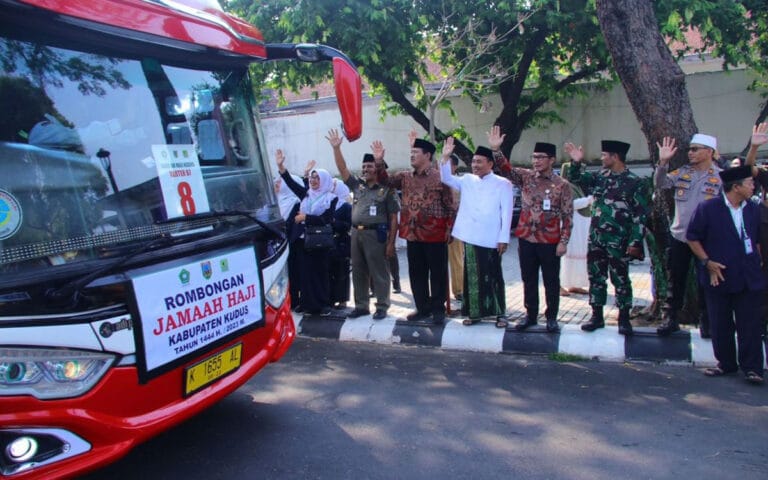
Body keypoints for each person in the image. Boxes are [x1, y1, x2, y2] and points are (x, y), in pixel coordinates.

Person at [489, 126, 573, 333]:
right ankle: (530, 315)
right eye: (534, 157)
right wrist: (496, 150)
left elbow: (568, 215)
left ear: (552, 160)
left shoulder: (562, 185)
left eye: (541, 157)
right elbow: (505, 169)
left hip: (550, 240)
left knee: (551, 280)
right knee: (528, 278)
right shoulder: (526, 177)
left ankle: (552, 317)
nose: (536, 161)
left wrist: (564, 241)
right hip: (527, 238)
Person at [686, 165, 765, 384]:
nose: (753, 186)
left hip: (748, 274)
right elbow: (692, 237)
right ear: (736, 187)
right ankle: (726, 363)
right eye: (749, 183)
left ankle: (753, 368)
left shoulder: (753, 209)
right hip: (718, 273)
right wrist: (707, 262)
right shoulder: (708, 208)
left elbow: (756, 240)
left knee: (750, 323)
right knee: (720, 322)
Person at [564, 140, 649, 336]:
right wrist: (576, 162)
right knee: (596, 277)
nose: (601, 158)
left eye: (604, 155)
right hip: (596, 239)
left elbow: (639, 217)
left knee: (620, 279)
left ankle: (624, 318)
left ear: (615, 157)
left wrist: (635, 242)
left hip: (619, 241)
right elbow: (576, 178)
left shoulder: (635, 182)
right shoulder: (600, 178)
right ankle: (596, 316)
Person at [373, 134, 456, 325]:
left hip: (435, 233)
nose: (411, 156)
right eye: (410, 152)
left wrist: (450, 229)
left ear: (427, 155)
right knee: (416, 273)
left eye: (415, 152)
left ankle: (438, 310)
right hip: (412, 233)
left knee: (437, 273)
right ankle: (422, 308)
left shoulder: (441, 177)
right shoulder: (405, 176)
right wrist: (379, 161)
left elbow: (450, 204)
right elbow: (385, 181)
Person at [653, 133, 724, 337]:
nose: (690, 153)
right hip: (680, 236)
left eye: (695, 149)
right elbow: (660, 184)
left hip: (706, 240)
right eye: (690, 150)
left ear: (709, 152)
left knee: (706, 283)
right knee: (675, 279)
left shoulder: (720, 177)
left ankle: (707, 321)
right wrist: (663, 162)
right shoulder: (682, 173)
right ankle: (670, 318)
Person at [439, 138, 514, 326]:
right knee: (472, 276)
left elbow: (507, 213)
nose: (475, 165)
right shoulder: (466, 180)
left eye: (479, 162)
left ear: (490, 163)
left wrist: (504, 238)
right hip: (471, 236)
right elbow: (446, 178)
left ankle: (500, 314)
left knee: (494, 276)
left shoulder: (503, 183)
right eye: (473, 162)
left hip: (492, 238)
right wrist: (445, 157)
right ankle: (474, 314)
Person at [327, 129, 400, 320]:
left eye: (369, 166)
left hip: (376, 235)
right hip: (356, 234)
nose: (365, 169)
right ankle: (361, 306)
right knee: (358, 271)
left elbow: (393, 217)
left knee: (379, 272)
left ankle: (382, 306)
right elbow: (343, 169)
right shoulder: (357, 186)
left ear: (378, 168)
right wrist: (336, 148)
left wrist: (392, 243)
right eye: (364, 166)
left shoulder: (387, 190)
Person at [276, 150, 337, 316]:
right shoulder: (306, 194)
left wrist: (306, 217)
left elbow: (327, 218)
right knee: (305, 273)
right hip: (304, 240)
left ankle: (322, 304)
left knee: (320, 273)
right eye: (311, 177)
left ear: (324, 180)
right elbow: (290, 183)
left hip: (320, 241)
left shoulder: (330, 198)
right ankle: (306, 304)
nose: (313, 180)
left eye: (317, 178)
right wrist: (281, 167)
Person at [559, 162, 592, 296]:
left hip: (580, 226)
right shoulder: (563, 186)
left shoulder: (576, 186)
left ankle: (574, 284)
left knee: (579, 256)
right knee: (565, 257)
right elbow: (569, 205)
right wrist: (588, 200)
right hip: (570, 226)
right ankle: (559, 285)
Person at [274, 174, 303, 311]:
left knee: (294, 274)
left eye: (280, 182)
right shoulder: (275, 203)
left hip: (292, 246)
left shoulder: (296, 203)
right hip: (276, 247)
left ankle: (295, 301)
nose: (277, 184)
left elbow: (295, 225)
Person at [329, 178, 352, 309]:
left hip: (341, 242)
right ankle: (331, 298)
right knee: (330, 272)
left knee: (342, 272)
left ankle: (342, 300)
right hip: (329, 242)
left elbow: (348, 225)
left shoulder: (346, 206)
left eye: (334, 185)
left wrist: (334, 222)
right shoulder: (328, 203)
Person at [447, 154, 465, 302]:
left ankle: (459, 290)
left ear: (454, 167)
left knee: (456, 258)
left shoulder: (460, 183)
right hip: (439, 226)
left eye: (447, 164)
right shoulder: (438, 181)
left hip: (456, 226)